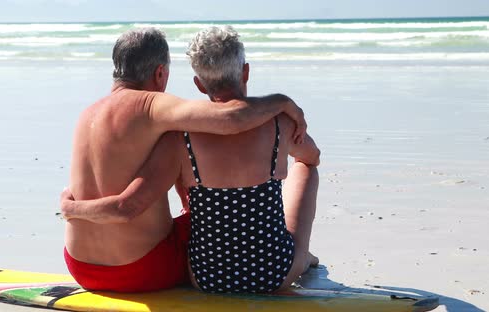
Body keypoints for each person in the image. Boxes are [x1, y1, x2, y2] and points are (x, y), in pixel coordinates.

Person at [61, 26, 320, 293]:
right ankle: (302, 256)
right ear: (160, 73)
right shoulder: (150, 106)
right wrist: (282, 102)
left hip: (80, 267)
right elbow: (231, 117)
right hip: (142, 271)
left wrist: (72, 209)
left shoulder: (87, 115)